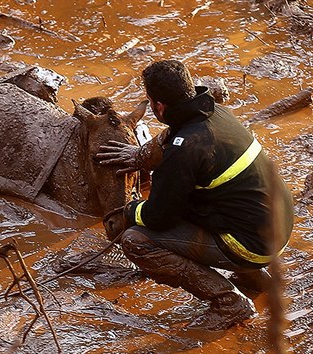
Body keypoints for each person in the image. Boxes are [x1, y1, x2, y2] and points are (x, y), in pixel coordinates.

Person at [96, 60, 293, 331]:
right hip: (276, 229)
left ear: (158, 106)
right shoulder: (216, 114)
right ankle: (256, 279)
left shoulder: (184, 150)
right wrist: (140, 156)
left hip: (250, 244)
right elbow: (169, 137)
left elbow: (158, 217)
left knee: (136, 239)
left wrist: (129, 211)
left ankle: (228, 301)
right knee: (213, 199)